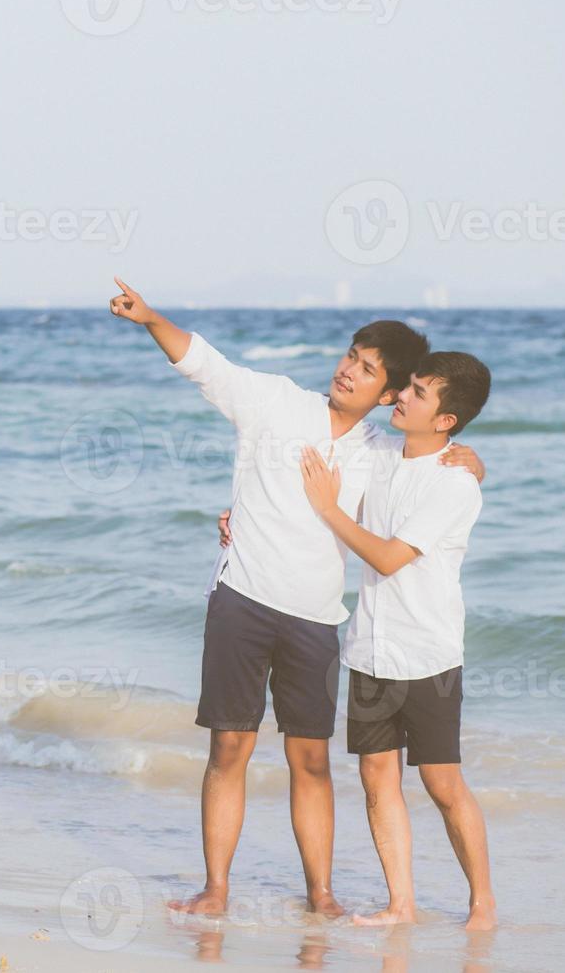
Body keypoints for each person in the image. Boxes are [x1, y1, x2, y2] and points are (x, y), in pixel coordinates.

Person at [107, 277, 484, 917]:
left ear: (390, 393)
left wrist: (473, 460)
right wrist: (149, 319)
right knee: (228, 748)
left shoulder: (380, 454)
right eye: (350, 356)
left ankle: (322, 894)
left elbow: (430, 469)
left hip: (314, 618)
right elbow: (206, 364)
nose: (348, 371)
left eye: (367, 370)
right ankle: (216, 889)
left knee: (310, 759)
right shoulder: (276, 403)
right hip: (242, 598)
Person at [298, 351, 497, 931]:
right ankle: (400, 904)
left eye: (417, 393)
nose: (400, 397)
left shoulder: (456, 483)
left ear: (446, 422)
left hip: (428, 653)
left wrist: (328, 510)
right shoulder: (379, 450)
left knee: (441, 782)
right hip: (368, 650)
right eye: (405, 385)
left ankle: (482, 903)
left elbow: (387, 559)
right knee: (376, 777)